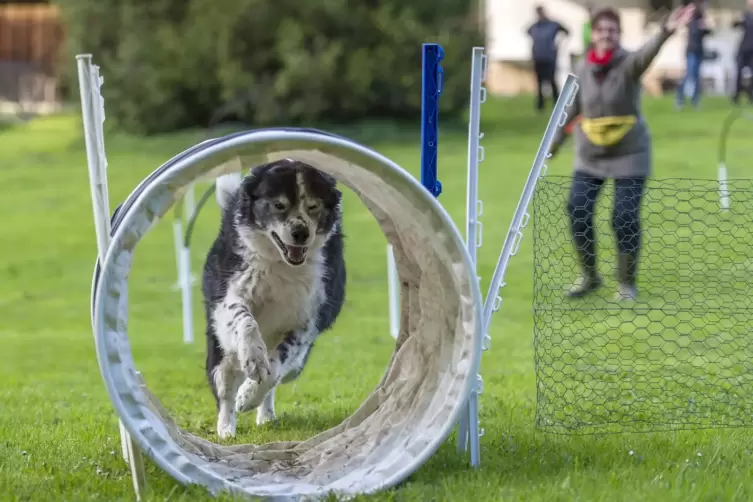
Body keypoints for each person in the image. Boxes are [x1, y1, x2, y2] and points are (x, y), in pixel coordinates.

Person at [548, 4, 697, 302]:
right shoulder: (580, 69)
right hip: (590, 157)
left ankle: (626, 284)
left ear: (619, 35)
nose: (607, 35)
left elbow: (647, 53)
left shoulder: (628, 63)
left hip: (630, 155)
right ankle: (590, 276)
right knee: (577, 208)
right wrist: (549, 149)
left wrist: (667, 30)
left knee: (624, 217)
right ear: (593, 34)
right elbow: (568, 111)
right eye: (602, 30)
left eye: (612, 31)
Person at [527, 6, 570, 112]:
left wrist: (559, 44)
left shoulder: (553, 25)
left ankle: (557, 102)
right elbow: (527, 32)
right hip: (538, 57)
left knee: (552, 80)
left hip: (549, 57)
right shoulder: (535, 26)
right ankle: (540, 105)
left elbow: (567, 31)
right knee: (539, 82)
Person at [676, 0, 714, 109]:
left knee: (697, 77)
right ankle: (680, 99)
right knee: (689, 75)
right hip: (691, 51)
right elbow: (694, 32)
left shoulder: (702, 18)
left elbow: (709, 32)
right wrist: (701, 27)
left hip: (699, 51)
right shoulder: (693, 18)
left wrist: (706, 27)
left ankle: (695, 101)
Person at [732, 0, 753, 104]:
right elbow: (735, 25)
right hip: (744, 49)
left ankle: (751, 95)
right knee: (738, 73)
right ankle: (736, 95)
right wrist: (738, 21)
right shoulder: (745, 15)